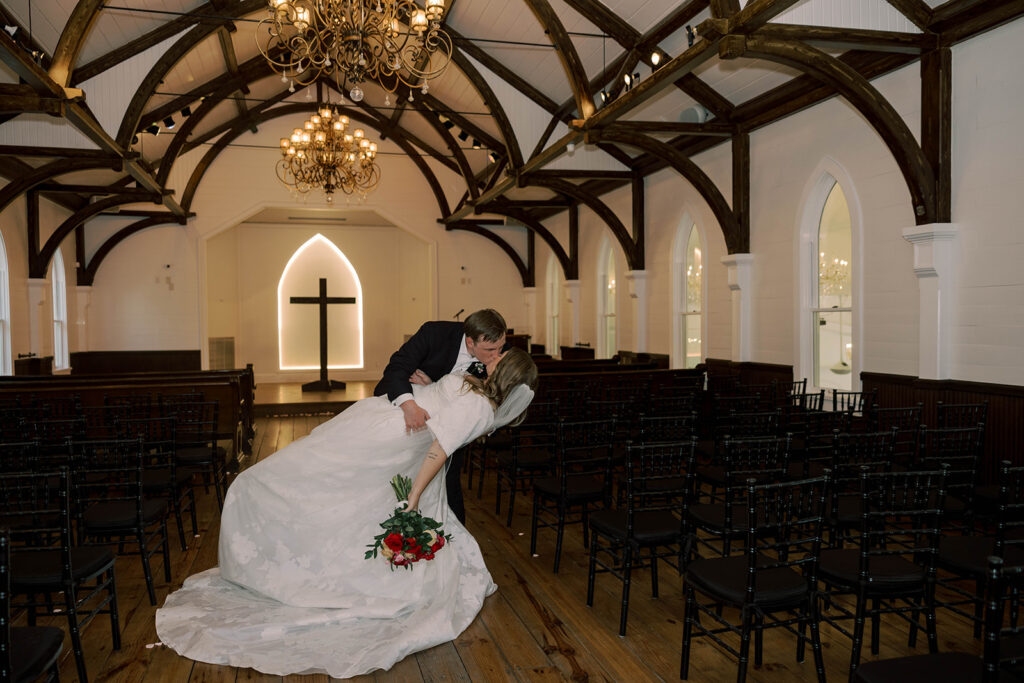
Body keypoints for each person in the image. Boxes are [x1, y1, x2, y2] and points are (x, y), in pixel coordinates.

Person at [156, 348, 538, 679]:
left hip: (387, 442)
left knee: (299, 484)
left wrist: (414, 498)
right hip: (382, 420)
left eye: (501, 357)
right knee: (327, 485)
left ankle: (290, 553)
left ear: (507, 371)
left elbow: (439, 449)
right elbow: (442, 403)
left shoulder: (479, 407)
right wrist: (426, 385)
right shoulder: (475, 387)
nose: (495, 355)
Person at [374, 308, 507, 524]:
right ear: (470, 342)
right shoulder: (434, 333)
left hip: (451, 432)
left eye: (501, 347)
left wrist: (435, 385)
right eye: (491, 349)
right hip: (406, 416)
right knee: (396, 479)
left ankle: (446, 539)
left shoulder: (498, 355)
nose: (497, 355)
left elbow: (488, 403)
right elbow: (396, 367)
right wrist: (409, 406)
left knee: (449, 484)